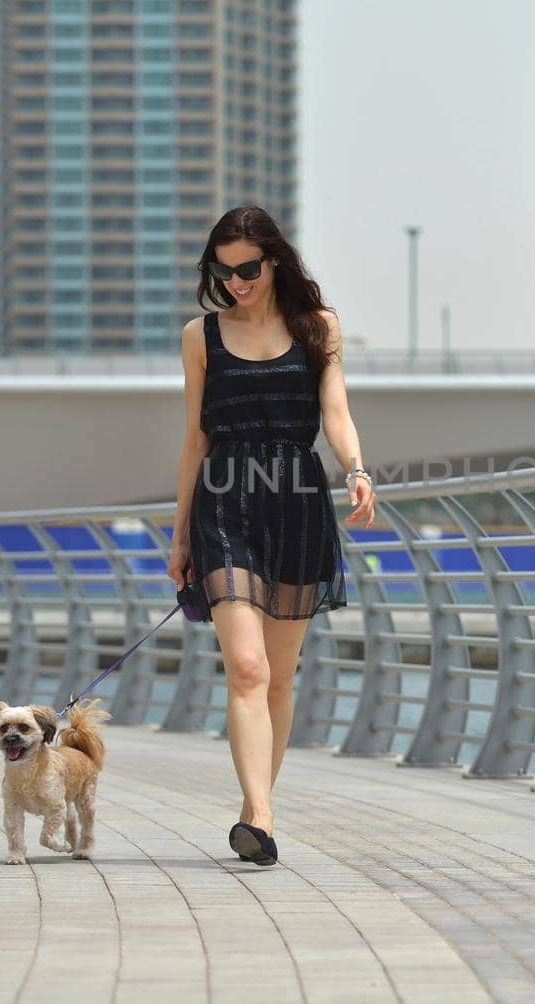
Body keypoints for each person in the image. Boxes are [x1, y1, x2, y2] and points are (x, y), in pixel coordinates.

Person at [167, 204, 375, 868]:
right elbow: (195, 438)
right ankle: (258, 814)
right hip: (223, 504)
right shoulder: (201, 337)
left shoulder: (319, 327)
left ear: (275, 260)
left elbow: (336, 411)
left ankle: (259, 808)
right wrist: (179, 539)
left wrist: (357, 469)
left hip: (297, 503)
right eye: (223, 272)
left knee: (279, 676)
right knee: (248, 668)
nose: (236, 283)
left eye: (247, 269)